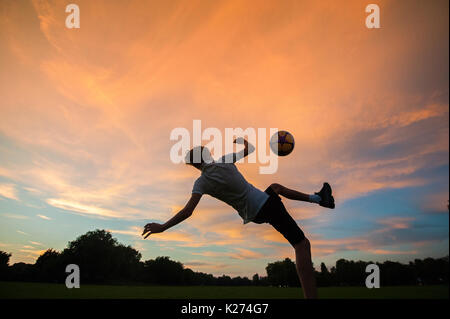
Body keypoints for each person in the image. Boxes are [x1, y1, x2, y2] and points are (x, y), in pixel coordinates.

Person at [142, 138, 335, 298]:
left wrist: (163, 227)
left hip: (254, 213)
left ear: (195, 165)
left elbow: (187, 211)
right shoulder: (225, 161)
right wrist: (242, 142)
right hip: (266, 205)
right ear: (206, 155)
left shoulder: (201, 183)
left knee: (276, 187)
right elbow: (249, 149)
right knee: (301, 244)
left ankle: (318, 198)